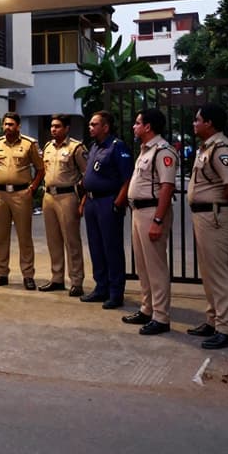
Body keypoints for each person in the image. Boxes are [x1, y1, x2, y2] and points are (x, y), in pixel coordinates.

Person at [187, 104, 228, 350]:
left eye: (197, 120)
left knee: (218, 273)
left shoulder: (221, 149)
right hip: (204, 216)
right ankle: (213, 320)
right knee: (208, 272)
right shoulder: (207, 148)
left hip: (214, 215)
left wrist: (217, 205)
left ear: (209, 123)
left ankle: (225, 329)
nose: (194, 123)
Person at [121, 108, 178, 336]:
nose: (134, 127)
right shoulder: (145, 150)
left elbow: (167, 187)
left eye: (137, 123)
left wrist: (157, 220)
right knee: (143, 265)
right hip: (138, 212)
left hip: (152, 211)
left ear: (148, 127)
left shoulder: (163, 151)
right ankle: (147, 309)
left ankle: (161, 316)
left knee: (155, 267)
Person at [79, 111, 133, 309]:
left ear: (105, 127)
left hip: (108, 202)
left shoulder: (117, 147)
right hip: (92, 202)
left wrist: (118, 202)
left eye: (94, 124)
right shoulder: (94, 147)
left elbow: (127, 178)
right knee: (96, 246)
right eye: (91, 124)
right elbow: (89, 177)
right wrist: (84, 200)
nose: (90, 127)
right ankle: (101, 287)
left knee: (112, 248)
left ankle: (115, 292)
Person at [0, 112, 44, 289]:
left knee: (24, 236)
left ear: (18, 126)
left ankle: (28, 275)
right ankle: (1, 273)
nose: (7, 127)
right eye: (5, 124)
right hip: (0, 196)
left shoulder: (29, 144)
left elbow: (40, 168)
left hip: (21, 195)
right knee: (2, 237)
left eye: (11, 124)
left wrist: (32, 188)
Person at [39, 114, 88, 297]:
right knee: (53, 240)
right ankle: (57, 278)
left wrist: (82, 199)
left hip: (67, 196)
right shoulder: (48, 147)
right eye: (52, 126)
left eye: (58, 126)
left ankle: (76, 281)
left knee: (71, 240)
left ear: (67, 128)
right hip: (49, 197)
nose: (54, 129)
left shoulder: (76, 147)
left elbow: (86, 174)